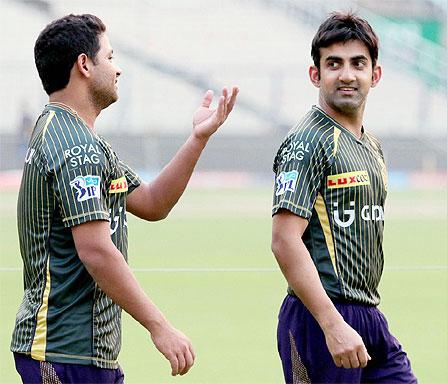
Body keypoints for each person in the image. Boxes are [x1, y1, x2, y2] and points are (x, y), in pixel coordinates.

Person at [11, 14, 238, 383]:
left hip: (81, 354)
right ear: (84, 65)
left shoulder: (75, 137)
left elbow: (152, 202)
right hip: (64, 353)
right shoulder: (75, 147)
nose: (118, 70)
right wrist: (159, 326)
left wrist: (198, 138)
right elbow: (97, 251)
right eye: (111, 56)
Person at [271, 12, 416, 383]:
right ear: (315, 74)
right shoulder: (309, 141)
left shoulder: (370, 145)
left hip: (368, 316)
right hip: (320, 318)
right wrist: (332, 324)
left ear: (375, 74)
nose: (347, 75)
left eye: (358, 64)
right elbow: (284, 241)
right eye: (334, 64)